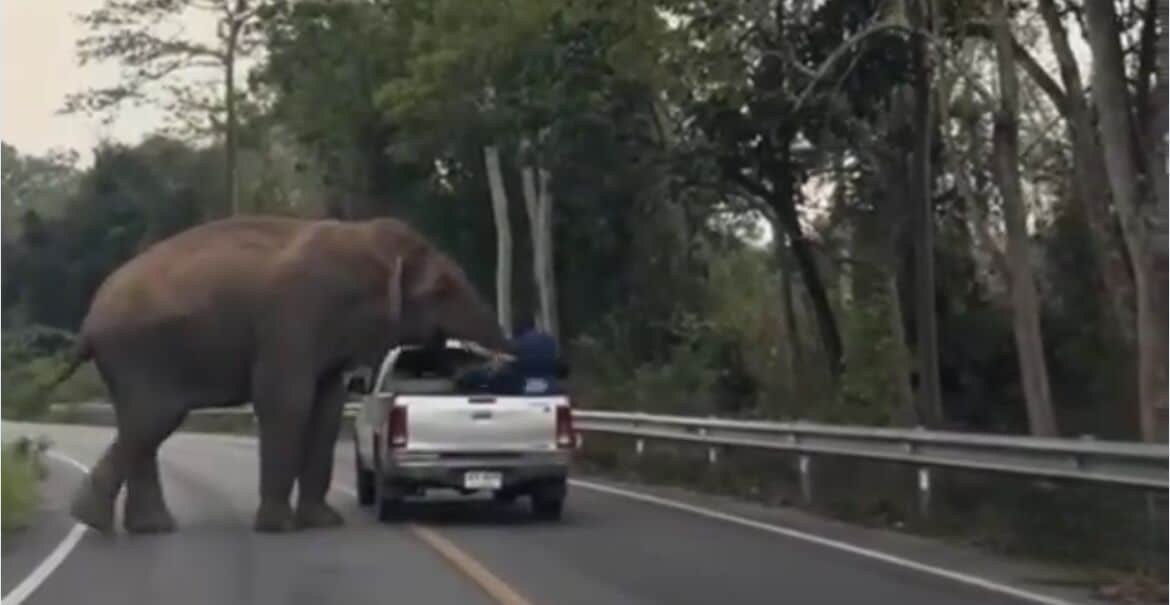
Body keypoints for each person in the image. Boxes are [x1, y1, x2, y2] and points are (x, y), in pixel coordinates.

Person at [456, 322, 567, 395]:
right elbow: (562, 366)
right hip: (549, 386)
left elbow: (496, 357)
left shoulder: (518, 344)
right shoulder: (549, 341)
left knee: (478, 379)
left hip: (518, 385)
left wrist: (471, 347)